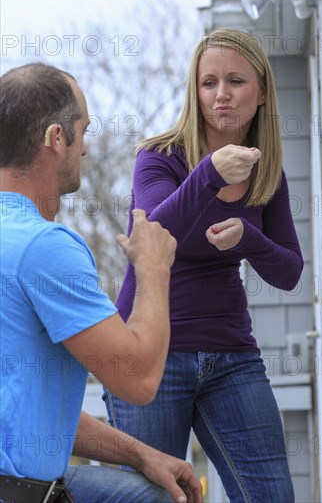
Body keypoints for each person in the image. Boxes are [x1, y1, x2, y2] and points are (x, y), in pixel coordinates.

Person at [104, 28, 304, 502]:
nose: (221, 96)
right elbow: (152, 233)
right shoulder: (158, 157)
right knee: (155, 497)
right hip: (147, 355)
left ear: (260, 92)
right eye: (208, 82)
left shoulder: (266, 171)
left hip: (232, 356)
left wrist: (249, 237)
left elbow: (289, 271)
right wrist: (210, 175)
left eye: (235, 81)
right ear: (195, 91)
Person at [0, 63, 203, 503]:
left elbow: (34, 413)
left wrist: (138, 453)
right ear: (56, 138)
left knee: (153, 493)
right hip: (20, 493)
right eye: (83, 130)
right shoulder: (43, 246)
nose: (85, 149)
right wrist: (152, 268)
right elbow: (139, 378)